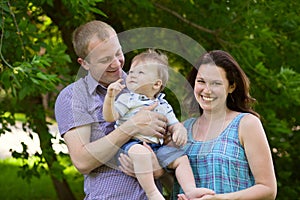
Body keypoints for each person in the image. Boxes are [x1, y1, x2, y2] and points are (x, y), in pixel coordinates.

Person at [54, 20, 170, 199]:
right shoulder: (74, 97)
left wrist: (160, 170)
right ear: (84, 63)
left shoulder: (145, 84)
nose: (116, 64)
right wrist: (131, 127)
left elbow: (169, 146)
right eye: (105, 59)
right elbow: (82, 161)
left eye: (118, 53)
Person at [102, 49, 215, 200]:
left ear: (156, 84)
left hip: (158, 147)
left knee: (181, 159)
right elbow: (110, 117)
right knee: (141, 154)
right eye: (131, 71)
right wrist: (110, 97)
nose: (132, 75)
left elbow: (174, 123)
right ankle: (152, 192)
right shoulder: (127, 99)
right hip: (132, 144)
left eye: (140, 73)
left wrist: (179, 130)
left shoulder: (162, 104)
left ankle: (190, 190)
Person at [173, 50, 277, 199]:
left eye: (216, 83)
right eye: (201, 81)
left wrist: (220, 199)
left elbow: (268, 189)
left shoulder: (246, 124)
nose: (207, 90)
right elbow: (174, 184)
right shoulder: (182, 129)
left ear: (231, 86)